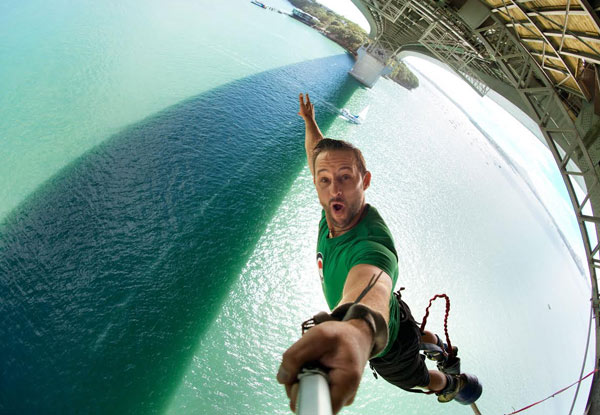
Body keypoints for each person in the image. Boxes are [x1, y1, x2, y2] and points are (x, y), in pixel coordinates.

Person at [276, 93, 481, 414]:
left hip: (386, 345)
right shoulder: (333, 209)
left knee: (419, 379)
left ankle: (452, 384)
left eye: (345, 178)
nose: (334, 189)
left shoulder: (370, 241)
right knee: (409, 326)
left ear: (365, 181)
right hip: (396, 313)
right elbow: (315, 154)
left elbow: (373, 281)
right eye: (324, 180)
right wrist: (310, 121)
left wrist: (356, 330)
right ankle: (439, 348)